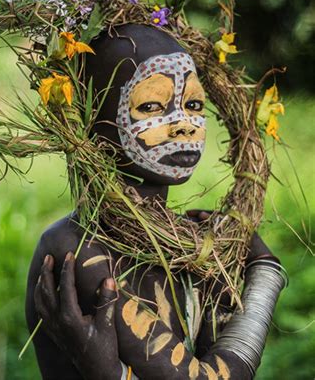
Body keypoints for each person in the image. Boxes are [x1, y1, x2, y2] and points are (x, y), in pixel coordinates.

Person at [25, 24, 286, 379]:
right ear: (90, 119)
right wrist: (266, 273)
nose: (183, 124)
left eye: (193, 104)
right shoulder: (79, 248)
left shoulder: (192, 244)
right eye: (151, 106)